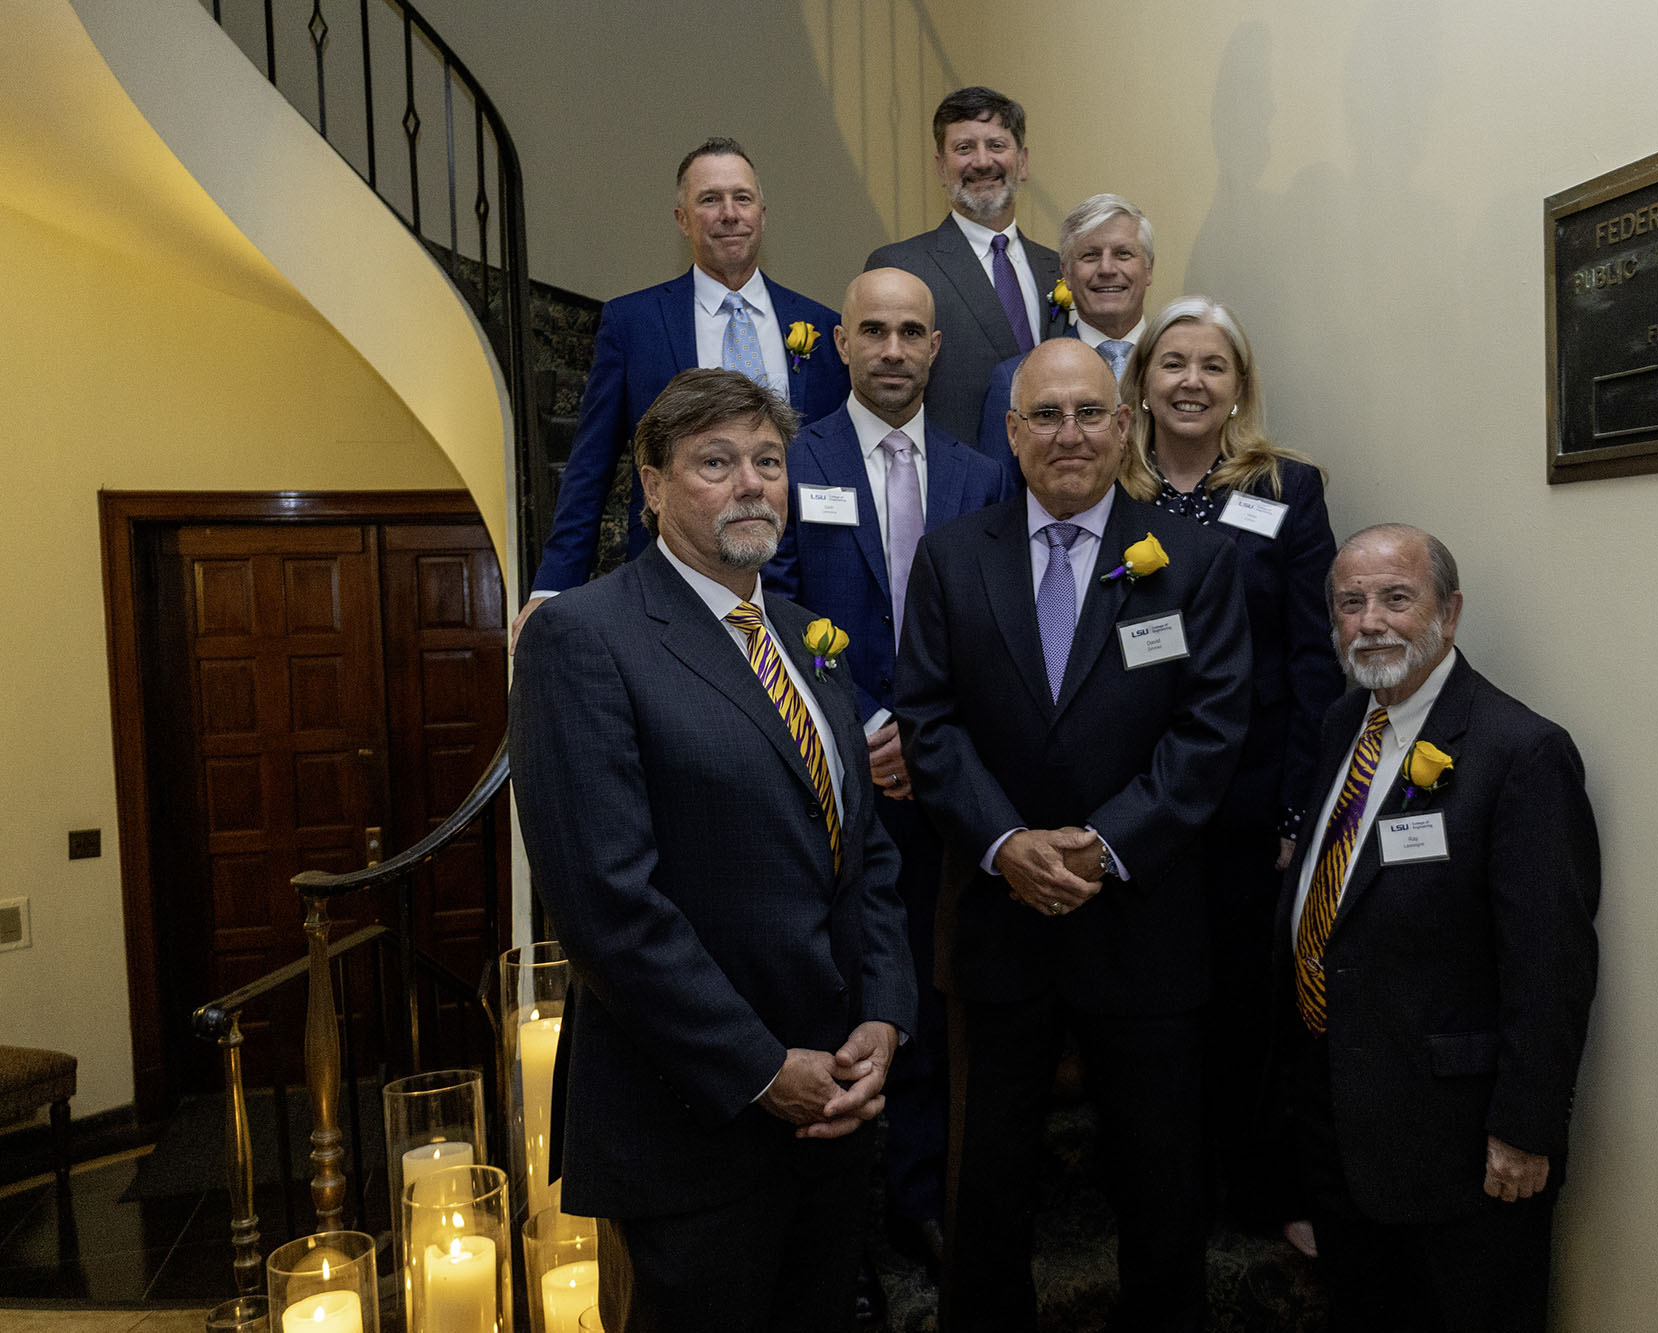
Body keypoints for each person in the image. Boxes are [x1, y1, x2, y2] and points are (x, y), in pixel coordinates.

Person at [511, 368, 917, 1332]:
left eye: (769, 462)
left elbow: (867, 853)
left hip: (832, 1110)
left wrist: (886, 1015)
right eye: (716, 462)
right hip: (697, 1125)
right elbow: (610, 908)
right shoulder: (583, 637)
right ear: (650, 484)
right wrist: (760, 1068)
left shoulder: (806, 642)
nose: (751, 484)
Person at [897, 339, 1251, 1332]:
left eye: (1089, 412)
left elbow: (1210, 730)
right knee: (986, 1187)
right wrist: (1005, 844)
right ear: (1009, 435)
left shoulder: (1196, 562)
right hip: (996, 925)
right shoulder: (950, 557)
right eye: (1044, 415)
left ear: (1124, 424)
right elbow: (926, 725)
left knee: (1160, 1184)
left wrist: (1104, 844)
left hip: (1141, 923)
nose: (1069, 434)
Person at [1279, 523, 1600, 1331]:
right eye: (1350, 604)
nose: (1372, 621)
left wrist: (1525, 1131)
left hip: (1461, 1150)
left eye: (1396, 597)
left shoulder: (1520, 752)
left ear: (1449, 614)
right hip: (1343, 1123)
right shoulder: (1340, 727)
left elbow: (1550, 963)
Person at [762, 266, 1006, 1277]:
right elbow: (770, 594)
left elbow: (996, 616)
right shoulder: (789, 458)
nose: (895, 350)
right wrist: (861, 718)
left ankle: (917, 1197)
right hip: (830, 766)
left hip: (943, 780)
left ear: (936, 348)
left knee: (931, 996)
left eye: (913, 332)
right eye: (876, 331)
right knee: (833, 990)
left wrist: (930, 731)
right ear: (842, 345)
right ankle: (833, 1219)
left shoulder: (979, 473)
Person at [1115, 295, 1343, 1222]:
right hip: (1140, 790)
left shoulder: (1287, 488)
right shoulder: (1108, 489)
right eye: (1174, 363)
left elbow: (1314, 660)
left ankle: (1249, 1185)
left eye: (1214, 365)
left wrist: (1298, 809)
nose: (1192, 381)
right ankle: (1164, 1186)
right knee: (1154, 1002)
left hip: (1252, 798)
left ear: (1239, 384)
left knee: (1249, 1002)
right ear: (1142, 383)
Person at [513, 137, 849, 646]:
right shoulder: (633, 323)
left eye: (742, 198)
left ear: (763, 212)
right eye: (710, 200)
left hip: (801, 585)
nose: (729, 214)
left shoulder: (820, 326)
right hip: (674, 581)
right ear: (682, 218)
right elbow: (590, 467)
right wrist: (553, 585)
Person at [865, 87, 1061, 445]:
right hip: (960, 489)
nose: (982, 162)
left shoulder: (1061, 270)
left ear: (1023, 162)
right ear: (941, 166)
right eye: (964, 148)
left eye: (997, 146)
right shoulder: (901, 267)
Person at [975, 193, 1155, 486]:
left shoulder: (1182, 375)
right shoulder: (1014, 379)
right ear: (1066, 274)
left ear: (1148, 268)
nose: (1107, 269)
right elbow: (1000, 503)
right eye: (1089, 256)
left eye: (1123, 254)